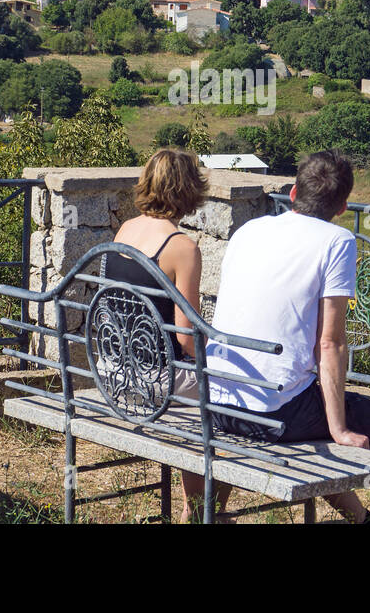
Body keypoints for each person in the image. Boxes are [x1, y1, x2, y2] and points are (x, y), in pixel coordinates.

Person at [205, 149, 370, 524]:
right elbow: (330, 343)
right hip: (274, 413)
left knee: (312, 401)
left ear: (294, 194)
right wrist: (340, 428)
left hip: (218, 401)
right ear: (343, 206)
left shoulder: (249, 230)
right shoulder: (337, 241)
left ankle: (362, 519)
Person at [103, 147, 228, 522]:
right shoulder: (182, 247)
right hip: (157, 381)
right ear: (188, 190)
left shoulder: (125, 229)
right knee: (230, 390)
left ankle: (204, 508)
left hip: (113, 371)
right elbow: (188, 339)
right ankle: (207, 511)